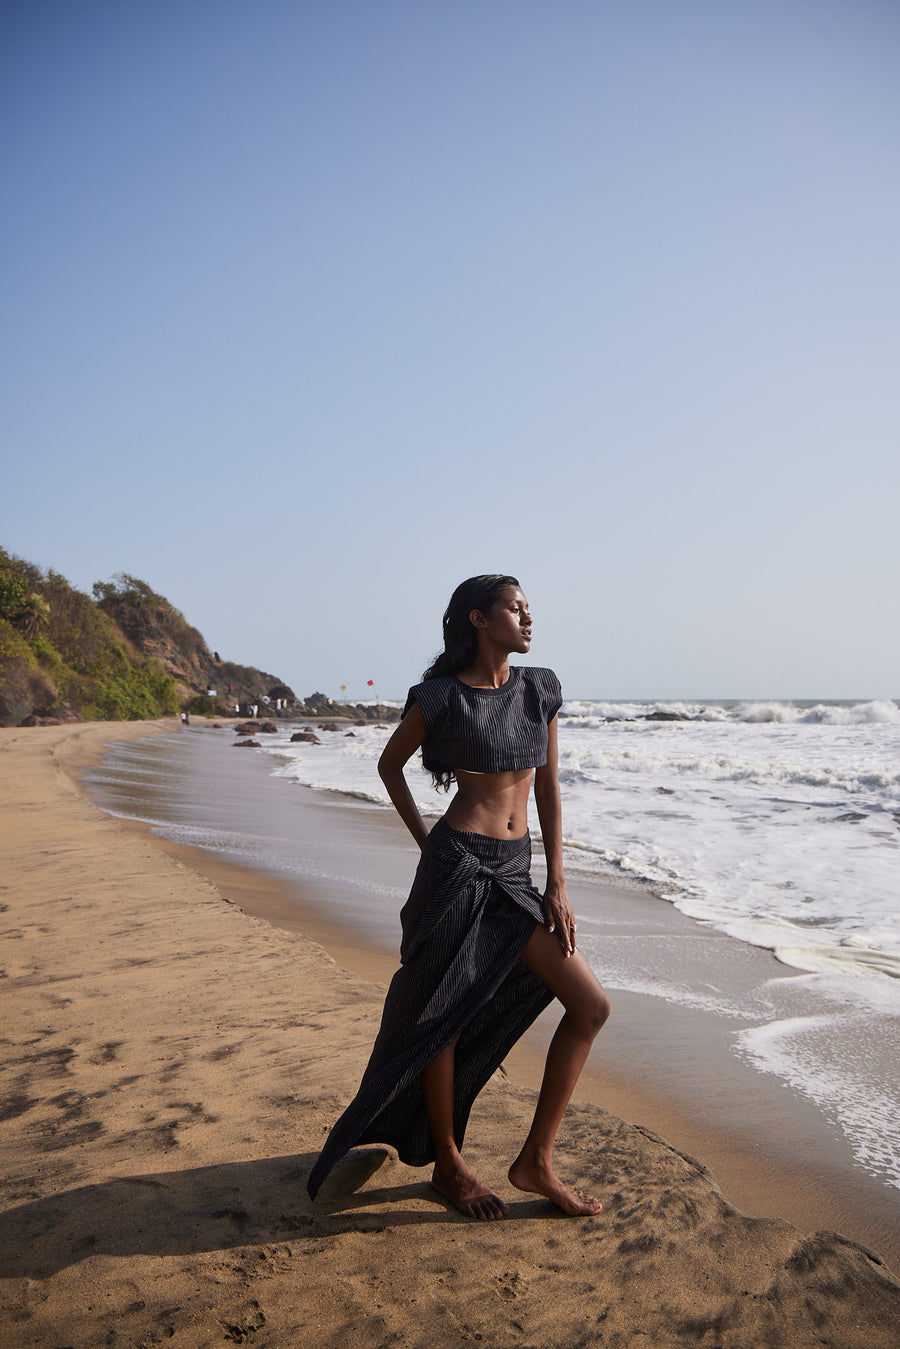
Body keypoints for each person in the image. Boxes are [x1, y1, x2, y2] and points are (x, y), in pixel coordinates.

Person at [306, 575, 610, 1219]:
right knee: (440, 1014)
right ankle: (448, 1162)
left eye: (529, 608)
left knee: (589, 1005)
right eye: (514, 608)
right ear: (478, 619)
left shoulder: (539, 688)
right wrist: (427, 841)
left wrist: (557, 880)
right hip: (457, 866)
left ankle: (536, 1162)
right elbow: (390, 765)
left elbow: (549, 789)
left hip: (516, 873)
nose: (528, 617)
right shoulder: (441, 697)